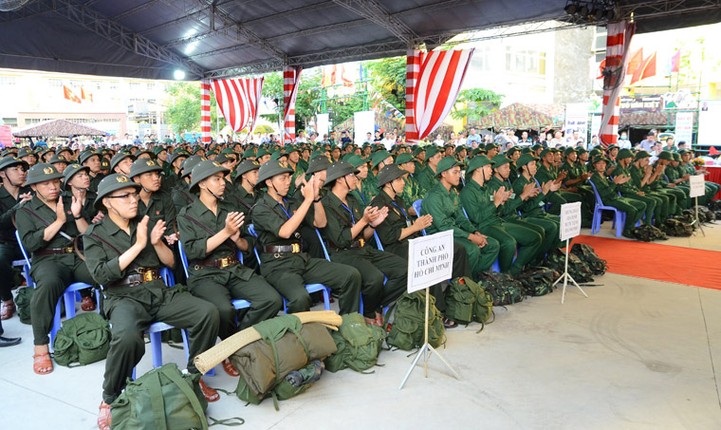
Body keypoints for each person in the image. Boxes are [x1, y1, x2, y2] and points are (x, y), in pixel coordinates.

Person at [83, 174, 221, 430]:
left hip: (157, 290)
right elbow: (102, 275)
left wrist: (155, 243)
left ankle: (193, 376)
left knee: (207, 313)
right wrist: (138, 246)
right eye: (125, 196)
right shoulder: (95, 234)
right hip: (123, 296)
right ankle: (110, 397)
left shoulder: (146, 223)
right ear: (108, 203)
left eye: (134, 194)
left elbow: (169, 262)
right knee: (126, 336)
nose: (133, 199)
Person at [178, 160, 282, 375]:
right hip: (205, 274)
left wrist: (236, 238)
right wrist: (225, 233)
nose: (223, 183)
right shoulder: (187, 214)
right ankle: (236, 347)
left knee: (272, 299)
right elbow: (193, 252)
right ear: (202, 184)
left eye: (223, 178)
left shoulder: (230, 208)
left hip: (234, 268)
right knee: (223, 310)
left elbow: (247, 245)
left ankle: (232, 345)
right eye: (216, 179)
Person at [251, 160, 363, 316]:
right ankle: (300, 335)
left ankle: (349, 322)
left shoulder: (291, 203)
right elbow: (285, 232)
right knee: (300, 298)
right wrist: (308, 200)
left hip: (301, 258)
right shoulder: (260, 208)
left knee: (351, 275)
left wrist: (316, 199)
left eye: (288, 178)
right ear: (269, 182)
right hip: (278, 265)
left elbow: (321, 222)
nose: (287, 182)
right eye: (282, 178)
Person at [15, 163, 96, 375]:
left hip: (75, 255)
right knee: (47, 286)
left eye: (55, 181)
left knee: (105, 274)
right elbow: (32, 244)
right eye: (45, 183)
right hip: (47, 259)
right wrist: (60, 220)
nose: (52, 186)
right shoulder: (26, 210)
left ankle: (114, 326)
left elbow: (87, 235)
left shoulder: (70, 201)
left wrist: (78, 216)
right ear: (33, 187)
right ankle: (41, 346)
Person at [370, 164, 470, 327]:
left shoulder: (398, 200)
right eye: (400, 179)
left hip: (411, 240)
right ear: (388, 183)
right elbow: (388, 237)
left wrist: (417, 227)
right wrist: (415, 227)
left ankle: (459, 298)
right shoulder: (379, 203)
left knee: (457, 249)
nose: (404, 182)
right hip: (395, 247)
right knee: (429, 260)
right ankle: (438, 311)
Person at [321, 161, 407, 326]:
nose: (355, 178)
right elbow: (342, 239)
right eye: (351, 175)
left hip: (362, 248)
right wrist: (364, 221)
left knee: (404, 269)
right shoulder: (327, 204)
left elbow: (365, 235)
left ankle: (375, 305)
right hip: (342, 253)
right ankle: (369, 312)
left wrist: (373, 224)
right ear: (340, 179)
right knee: (375, 278)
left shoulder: (352, 200)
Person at [462, 155, 543, 274]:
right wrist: (496, 202)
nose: (491, 170)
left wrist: (501, 202)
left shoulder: (486, 188)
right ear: (478, 169)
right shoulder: (467, 192)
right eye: (488, 167)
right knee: (509, 242)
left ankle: (515, 269)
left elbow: (499, 212)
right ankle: (507, 274)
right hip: (484, 227)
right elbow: (477, 218)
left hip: (498, 222)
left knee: (535, 237)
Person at [423, 157, 500, 277]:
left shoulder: (452, 193)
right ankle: (462, 284)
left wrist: (475, 232)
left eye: (459, 172)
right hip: (439, 236)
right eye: (455, 172)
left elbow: (460, 217)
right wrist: (470, 237)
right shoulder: (433, 197)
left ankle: (473, 278)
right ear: (443, 174)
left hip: (455, 232)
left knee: (492, 245)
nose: (458, 175)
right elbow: (443, 227)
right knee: (472, 250)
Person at [0, 156, 32, 321]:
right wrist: (18, 207)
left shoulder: (31, 191)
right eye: (15, 170)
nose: (21, 173)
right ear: (3, 174)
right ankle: (7, 300)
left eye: (22, 169)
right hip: (8, 242)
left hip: (31, 239)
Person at [589, 156, 646, 238]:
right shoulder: (595, 178)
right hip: (608, 200)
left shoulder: (603, 176)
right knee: (632, 210)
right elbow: (603, 194)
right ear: (595, 165)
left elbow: (612, 186)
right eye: (599, 163)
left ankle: (631, 227)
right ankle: (627, 230)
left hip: (615, 198)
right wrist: (615, 183)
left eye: (604, 163)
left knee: (642, 204)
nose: (602, 165)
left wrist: (618, 182)